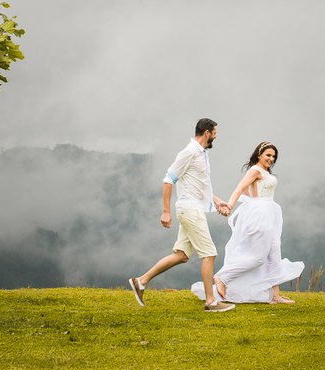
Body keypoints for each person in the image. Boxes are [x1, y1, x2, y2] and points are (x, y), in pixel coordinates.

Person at [129, 118, 236, 312]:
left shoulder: (201, 153)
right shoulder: (189, 152)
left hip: (194, 208)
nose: (215, 137)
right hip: (190, 210)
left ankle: (141, 281)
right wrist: (166, 212)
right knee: (209, 253)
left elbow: (197, 185)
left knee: (182, 255)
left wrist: (216, 200)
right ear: (207, 133)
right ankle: (211, 302)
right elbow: (168, 179)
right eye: (214, 134)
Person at [192, 141, 304, 305]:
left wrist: (254, 198)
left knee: (274, 254)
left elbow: (248, 190)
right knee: (258, 258)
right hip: (261, 215)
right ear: (259, 155)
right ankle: (223, 278)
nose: (271, 159)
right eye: (268, 155)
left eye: (273, 156)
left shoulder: (265, 172)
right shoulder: (254, 171)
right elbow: (239, 188)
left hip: (270, 212)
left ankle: (275, 297)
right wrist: (229, 206)